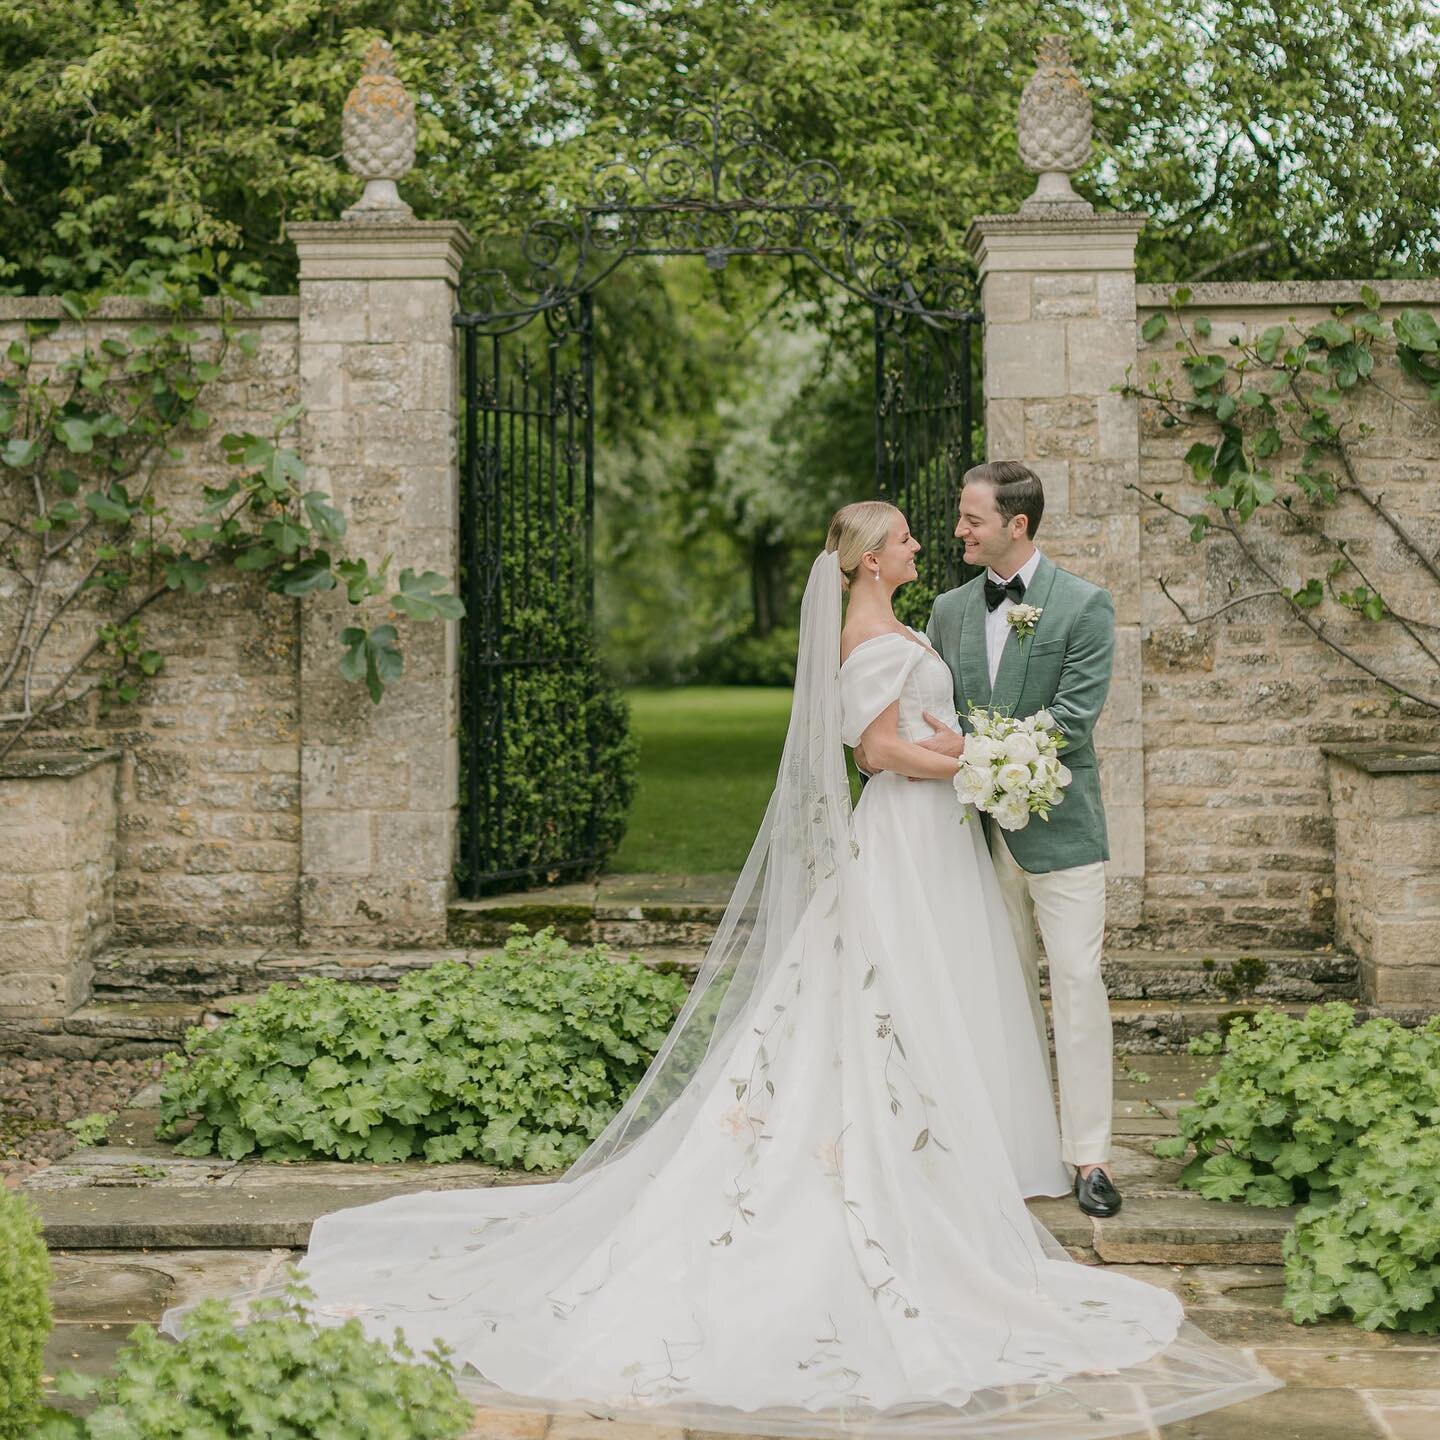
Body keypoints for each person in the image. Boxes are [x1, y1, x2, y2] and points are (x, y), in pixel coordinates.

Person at [162, 500, 1277, 1438]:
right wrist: (981, 758)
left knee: (918, 999)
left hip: (931, 837)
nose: (921, 548)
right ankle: (891, 1169)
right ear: (869, 558)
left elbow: (908, 737)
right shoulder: (873, 631)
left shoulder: (895, 619)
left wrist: (975, 755)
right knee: (885, 998)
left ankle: (949, 1149)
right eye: (902, 539)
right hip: (905, 834)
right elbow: (879, 751)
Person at [856, 461, 1122, 1219]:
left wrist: (979, 758)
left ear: (1018, 525)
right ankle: (1011, 1147)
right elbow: (926, 709)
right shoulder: (944, 610)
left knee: (1075, 984)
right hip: (969, 839)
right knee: (999, 996)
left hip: (1062, 832)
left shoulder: (1083, 606)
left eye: (972, 519)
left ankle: (1090, 1156)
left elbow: (1070, 722)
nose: (957, 531)